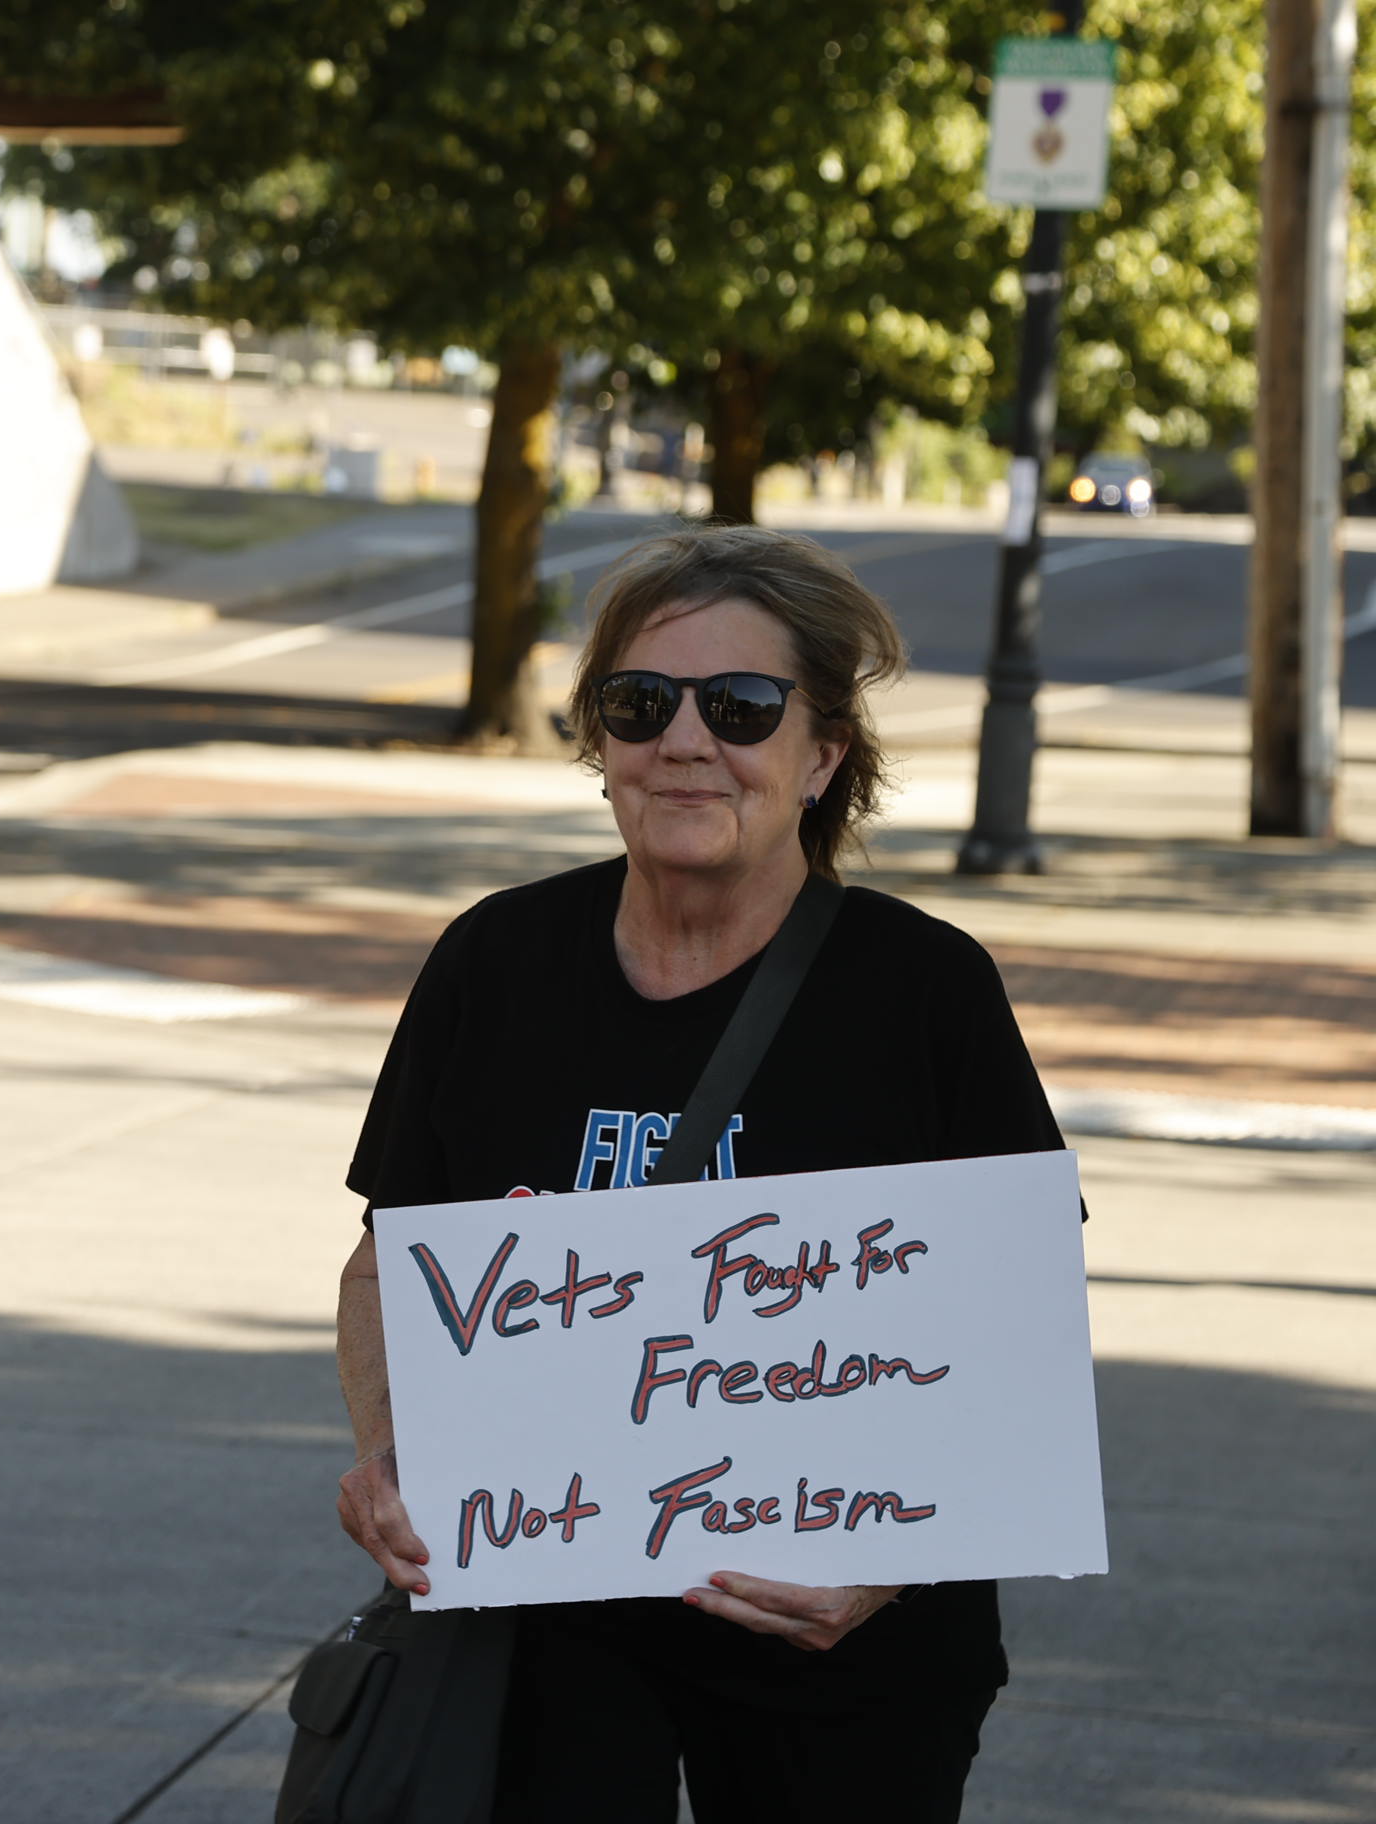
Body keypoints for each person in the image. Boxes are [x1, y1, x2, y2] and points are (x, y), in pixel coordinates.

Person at [332, 524, 1066, 1821]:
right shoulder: (495, 962)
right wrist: (395, 1452)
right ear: (599, 739)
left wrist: (889, 1564)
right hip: (545, 1629)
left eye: (739, 707)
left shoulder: (923, 991)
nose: (682, 741)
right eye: (639, 702)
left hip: (837, 1648)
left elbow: (1022, 1322)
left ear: (823, 752)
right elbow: (391, 1263)